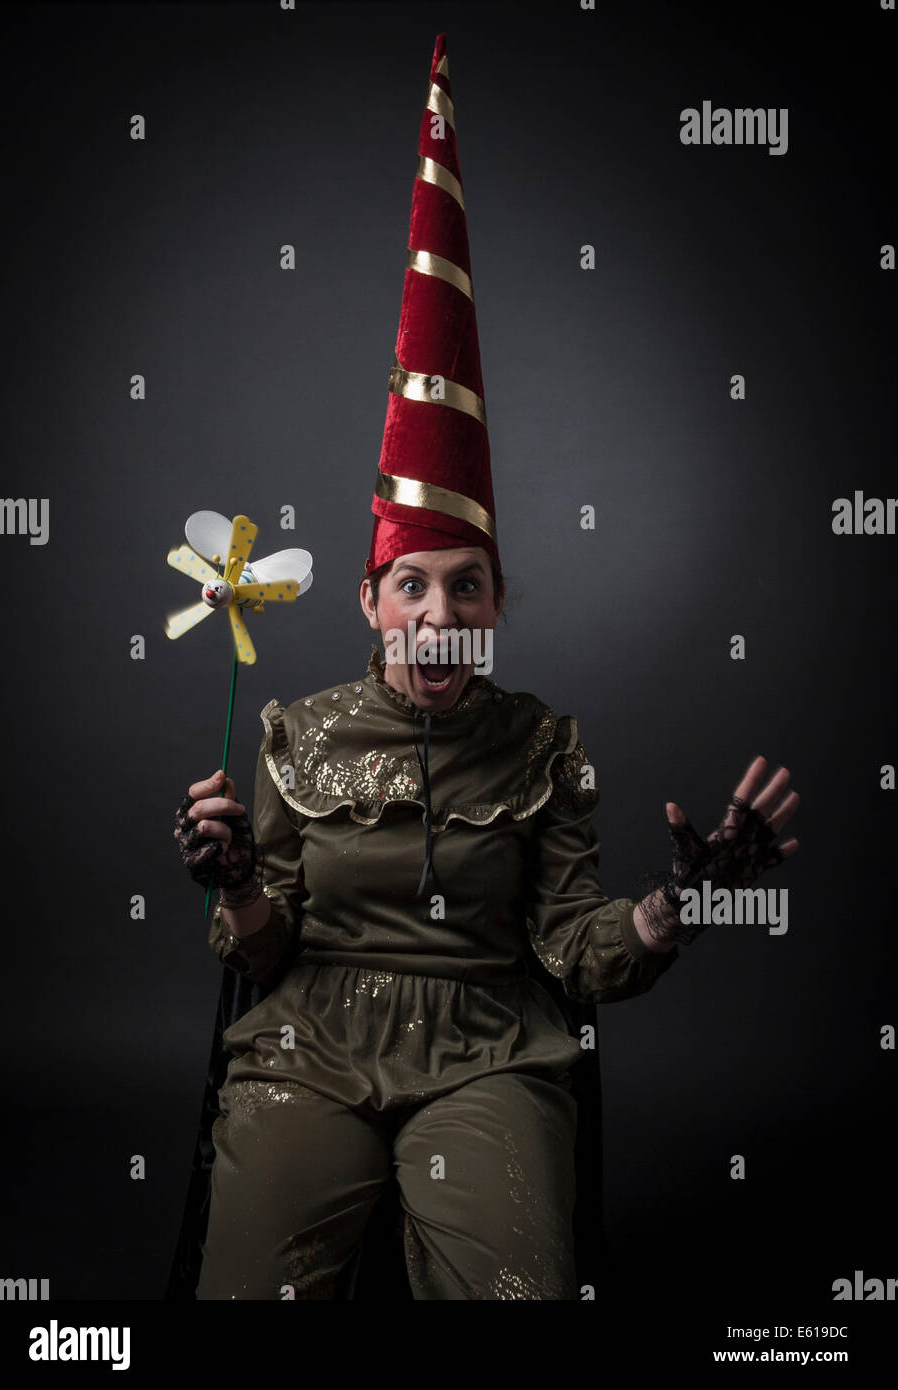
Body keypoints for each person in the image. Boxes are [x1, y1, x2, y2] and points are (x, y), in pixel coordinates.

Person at [169, 34, 799, 1301]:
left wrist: (685, 903)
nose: (440, 610)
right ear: (370, 600)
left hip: (488, 1053)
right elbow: (261, 948)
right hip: (312, 1045)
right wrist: (233, 884)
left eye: (468, 586)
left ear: (498, 605)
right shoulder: (293, 731)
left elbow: (575, 950)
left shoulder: (542, 746)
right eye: (414, 584)